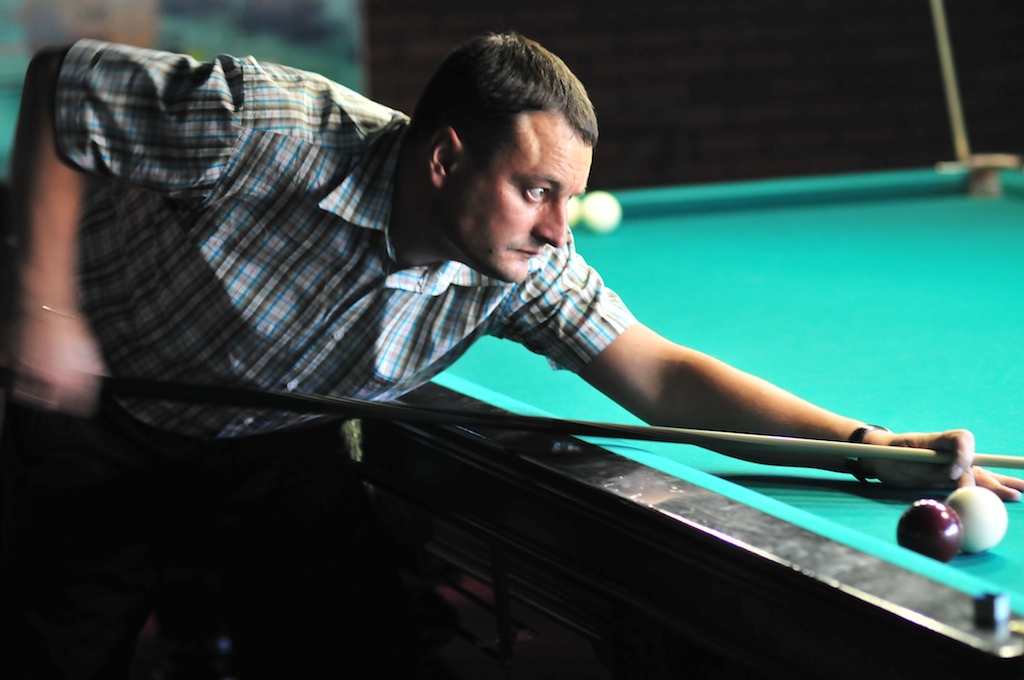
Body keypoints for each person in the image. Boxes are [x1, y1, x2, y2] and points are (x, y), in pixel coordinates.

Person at [2, 31, 1022, 679]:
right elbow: (63, 85)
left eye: (569, 198)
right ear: (446, 158)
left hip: (276, 444)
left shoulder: (523, 269)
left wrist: (865, 446)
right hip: (99, 422)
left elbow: (663, 376)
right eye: (537, 191)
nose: (557, 229)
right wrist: (43, 307)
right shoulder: (267, 126)